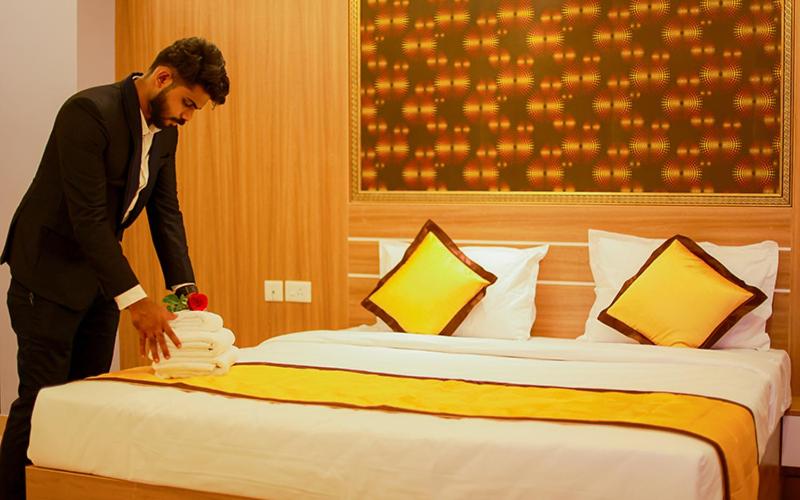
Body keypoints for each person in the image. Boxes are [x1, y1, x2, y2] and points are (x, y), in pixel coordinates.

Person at [0, 37, 230, 499]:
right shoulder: (88, 113)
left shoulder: (166, 132)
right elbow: (87, 218)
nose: (187, 116)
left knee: (85, 400)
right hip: (46, 275)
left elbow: (166, 213)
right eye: (187, 103)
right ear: (162, 77)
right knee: (43, 402)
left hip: (99, 280)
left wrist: (185, 293)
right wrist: (137, 302)